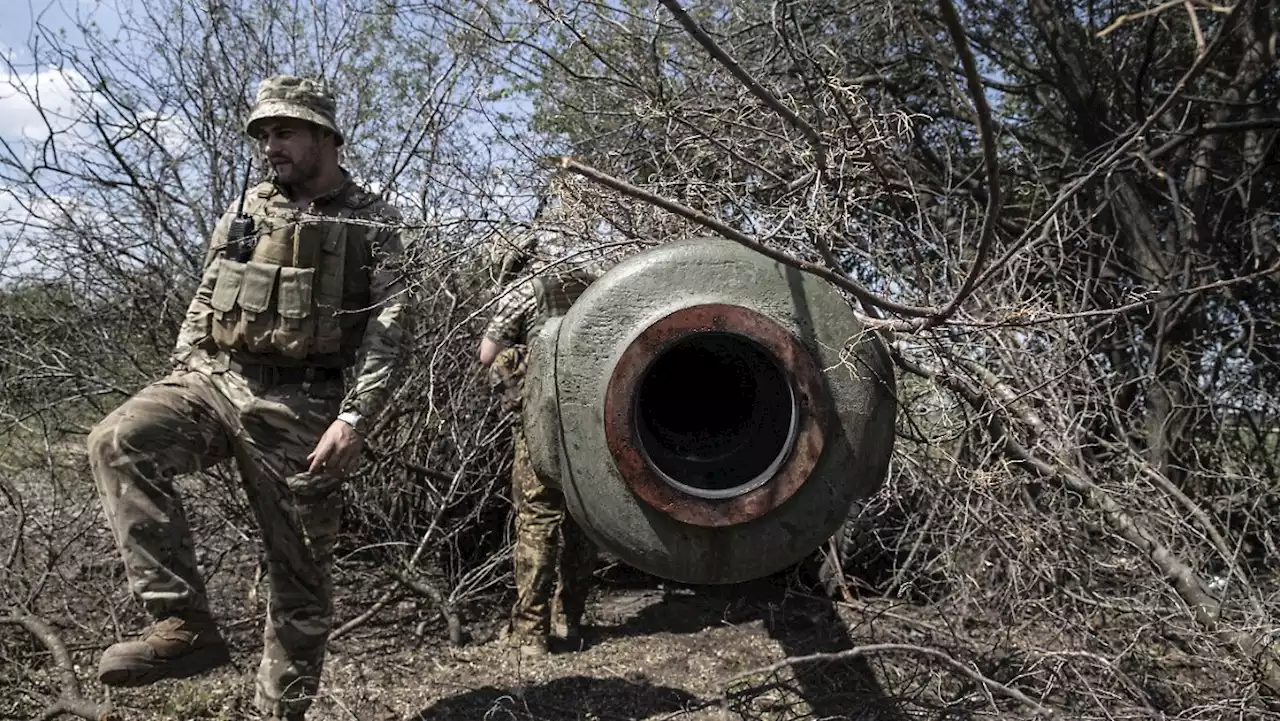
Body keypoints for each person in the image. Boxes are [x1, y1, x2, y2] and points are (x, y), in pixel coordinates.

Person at [87, 74, 408, 720]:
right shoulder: (247, 209)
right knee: (118, 439)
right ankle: (181, 625)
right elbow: (207, 296)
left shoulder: (373, 221)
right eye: (263, 134)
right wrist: (184, 372)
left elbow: (391, 330)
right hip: (216, 381)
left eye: (283, 131)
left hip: (304, 410)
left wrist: (354, 417)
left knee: (300, 584)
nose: (270, 145)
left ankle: (275, 715)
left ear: (324, 135)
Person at [478, 209, 599, 657]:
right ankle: (570, 620)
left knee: (536, 523)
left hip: (542, 425)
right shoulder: (596, 284)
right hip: (592, 423)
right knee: (586, 521)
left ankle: (530, 634)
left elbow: (486, 353)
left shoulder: (522, 291)